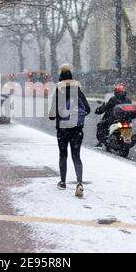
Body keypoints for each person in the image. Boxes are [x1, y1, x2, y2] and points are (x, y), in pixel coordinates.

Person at [49, 64, 90, 198]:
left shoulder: (59, 91)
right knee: (76, 156)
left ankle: (63, 182)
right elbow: (88, 109)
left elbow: (52, 114)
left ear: (60, 78)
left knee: (63, 155)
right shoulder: (77, 90)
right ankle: (79, 183)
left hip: (63, 130)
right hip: (77, 129)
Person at [95, 83, 132, 148]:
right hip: (126, 121)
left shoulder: (113, 99)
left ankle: (101, 143)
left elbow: (105, 107)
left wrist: (99, 110)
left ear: (116, 91)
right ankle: (123, 140)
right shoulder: (128, 100)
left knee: (101, 125)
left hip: (114, 120)